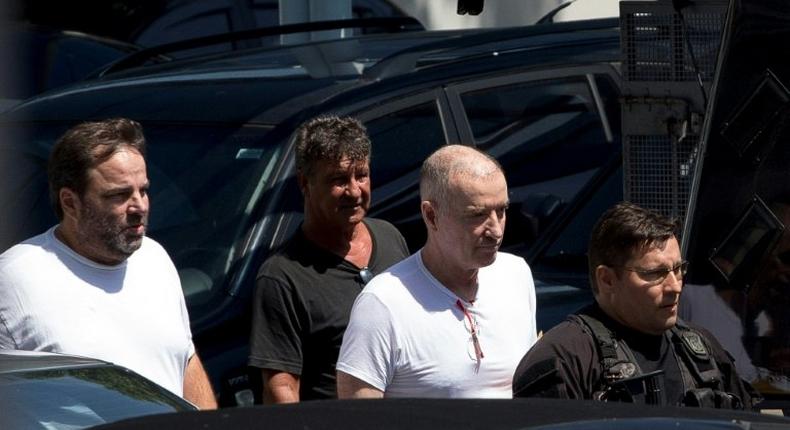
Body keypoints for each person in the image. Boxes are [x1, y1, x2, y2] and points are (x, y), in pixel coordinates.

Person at [0, 118, 217, 409]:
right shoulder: (14, 279)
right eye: (119, 195)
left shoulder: (154, 259)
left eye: (144, 190)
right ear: (70, 202)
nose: (139, 206)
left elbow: (184, 360)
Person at [336, 144, 538, 398]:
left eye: (502, 210)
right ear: (431, 216)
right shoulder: (383, 304)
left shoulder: (516, 275)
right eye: (478, 215)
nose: (496, 230)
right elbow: (354, 418)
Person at [512, 202, 758, 409]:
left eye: (678, 269)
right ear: (607, 279)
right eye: (655, 274)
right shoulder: (565, 358)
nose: (675, 286)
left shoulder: (701, 349)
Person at [248, 116, 409, 403]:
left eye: (361, 175)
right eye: (338, 180)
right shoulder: (282, 277)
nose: (355, 191)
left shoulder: (389, 237)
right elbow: (280, 388)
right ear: (304, 183)